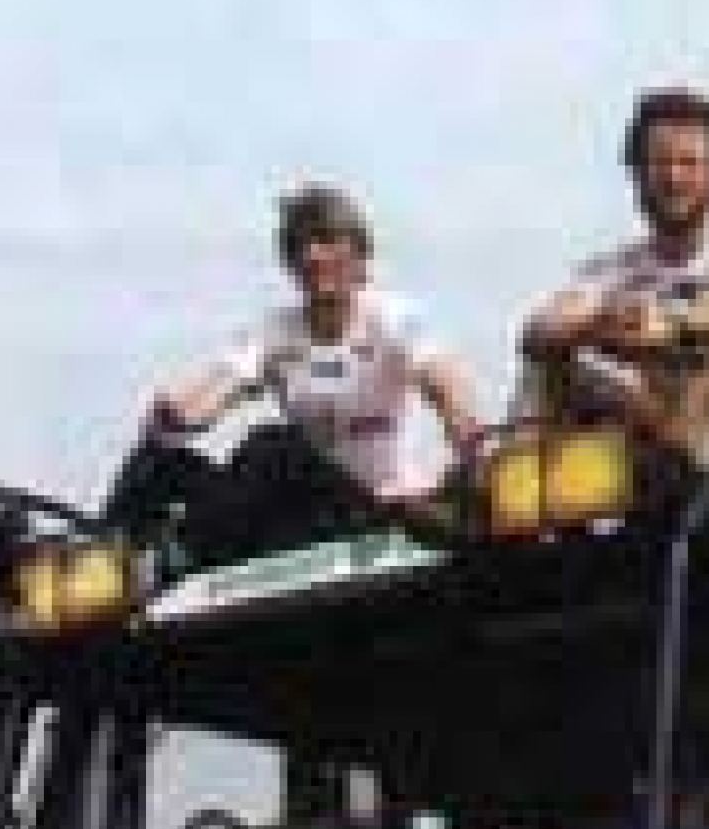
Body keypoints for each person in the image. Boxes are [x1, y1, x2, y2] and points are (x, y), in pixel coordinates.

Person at [103, 184, 479, 565]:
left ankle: (184, 553)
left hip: (371, 508)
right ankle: (97, 566)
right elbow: (216, 390)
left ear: (358, 255)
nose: (312, 255)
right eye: (300, 246)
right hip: (300, 515)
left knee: (273, 445)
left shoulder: (394, 320)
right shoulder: (275, 333)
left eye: (326, 240)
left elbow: (449, 392)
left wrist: (474, 468)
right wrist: (174, 413)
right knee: (159, 462)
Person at [520, 87, 709, 470]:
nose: (673, 177)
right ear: (637, 175)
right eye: (660, 163)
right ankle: (518, 476)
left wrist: (675, 325)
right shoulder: (610, 271)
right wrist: (608, 322)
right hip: (647, 425)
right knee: (559, 357)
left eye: (689, 163)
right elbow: (540, 328)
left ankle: (685, 456)